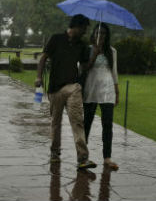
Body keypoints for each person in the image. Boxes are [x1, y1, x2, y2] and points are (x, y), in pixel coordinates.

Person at [35, 14, 96, 169]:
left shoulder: (81, 45)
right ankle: (55, 153)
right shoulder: (56, 39)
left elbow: (84, 68)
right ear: (76, 26)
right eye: (83, 29)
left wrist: (94, 56)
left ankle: (82, 158)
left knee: (77, 121)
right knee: (55, 123)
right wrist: (38, 77)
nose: (84, 32)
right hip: (55, 88)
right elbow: (43, 58)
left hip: (73, 87)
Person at [83, 23, 119, 170]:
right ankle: (83, 156)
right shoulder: (88, 50)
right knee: (87, 123)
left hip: (107, 90)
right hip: (91, 90)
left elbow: (114, 72)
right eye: (98, 33)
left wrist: (117, 92)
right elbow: (83, 68)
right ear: (93, 34)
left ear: (107, 35)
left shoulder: (112, 51)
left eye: (103, 33)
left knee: (107, 124)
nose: (100, 36)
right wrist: (94, 54)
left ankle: (107, 157)